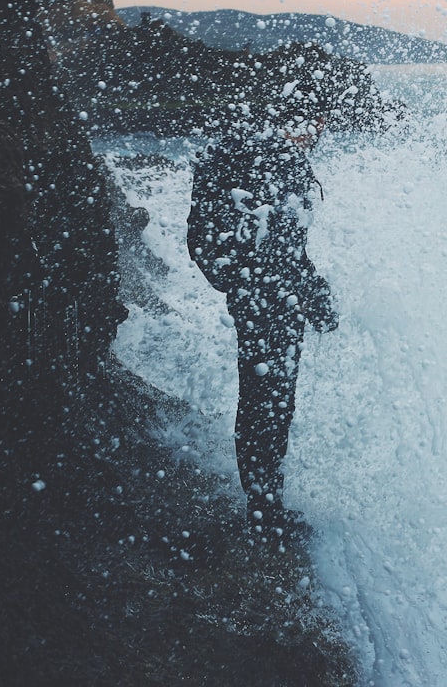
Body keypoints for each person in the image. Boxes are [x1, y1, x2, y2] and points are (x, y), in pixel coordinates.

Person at [188, 44, 342, 548]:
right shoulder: (250, 153)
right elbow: (207, 237)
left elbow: (285, 243)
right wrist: (246, 282)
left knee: (273, 403)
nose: (317, 134)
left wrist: (310, 288)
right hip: (262, 296)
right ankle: (262, 514)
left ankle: (266, 505)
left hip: (278, 293)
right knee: (265, 403)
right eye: (314, 122)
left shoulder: (266, 152)